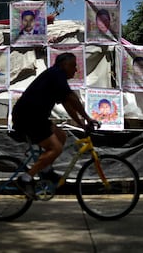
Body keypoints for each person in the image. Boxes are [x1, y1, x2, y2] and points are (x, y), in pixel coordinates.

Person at [11, 52, 98, 197]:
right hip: (28, 117)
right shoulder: (57, 74)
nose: (76, 70)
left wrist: (81, 124)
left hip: (36, 117)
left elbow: (67, 104)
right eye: (74, 65)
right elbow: (71, 98)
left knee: (61, 136)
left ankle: (46, 171)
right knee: (55, 148)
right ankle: (25, 178)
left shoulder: (56, 77)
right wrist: (88, 118)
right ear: (65, 64)